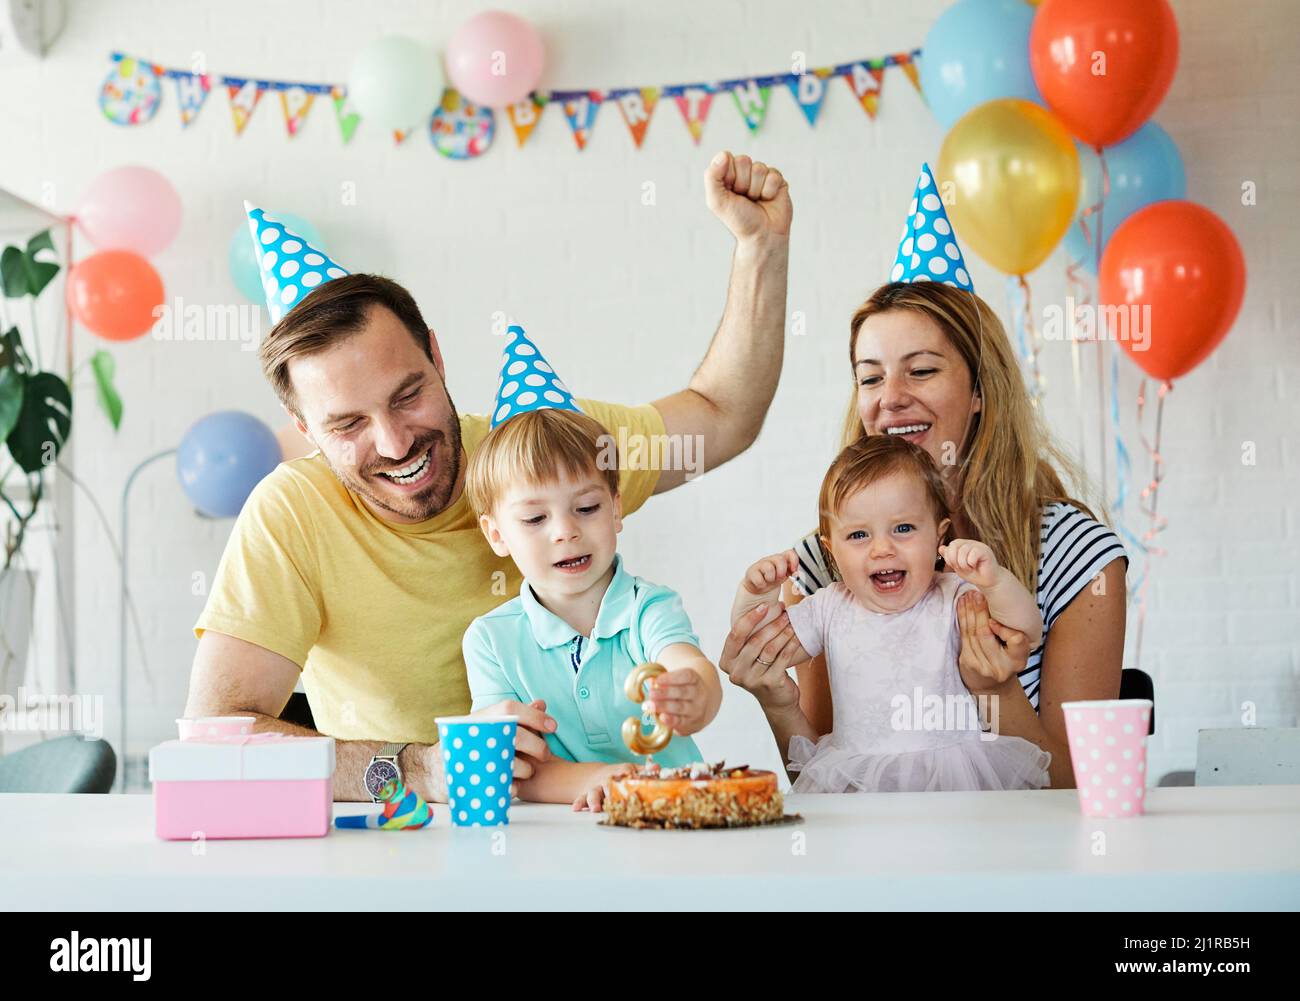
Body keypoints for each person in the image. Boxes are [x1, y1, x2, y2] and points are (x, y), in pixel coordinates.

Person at [184, 150, 792, 804]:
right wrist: (417, 768)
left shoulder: (536, 448)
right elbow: (217, 740)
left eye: (407, 393)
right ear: (304, 429)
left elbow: (725, 415)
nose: (394, 442)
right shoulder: (292, 515)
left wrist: (762, 247)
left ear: (437, 356)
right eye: (347, 424)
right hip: (404, 841)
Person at [721, 164, 1126, 790]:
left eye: (923, 370)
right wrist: (776, 702)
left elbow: (1077, 789)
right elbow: (831, 768)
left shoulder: (1078, 555)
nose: (892, 398)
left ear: (980, 391)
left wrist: (994, 688)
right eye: (871, 376)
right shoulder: (824, 562)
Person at [461, 337, 721, 810]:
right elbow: (513, 769)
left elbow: (690, 667)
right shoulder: (490, 641)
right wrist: (600, 777)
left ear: (616, 509)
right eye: (535, 519)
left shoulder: (648, 608)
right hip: (556, 845)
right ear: (496, 534)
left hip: (672, 819)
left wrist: (693, 690)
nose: (565, 531)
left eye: (586, 507)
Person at [731, 435, 1051, 792]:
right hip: (859, 773)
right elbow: (759, 644)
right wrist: (755, 594)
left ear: (938, 535)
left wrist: (995, 582)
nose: (883, 548)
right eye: (858, 535)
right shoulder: (829, 606)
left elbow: (1026, 630)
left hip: (950, 772)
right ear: (831, 550)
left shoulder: (953, 594)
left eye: (903, 528)